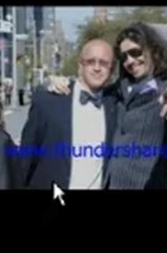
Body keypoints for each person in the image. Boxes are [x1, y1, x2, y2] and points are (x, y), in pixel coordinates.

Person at [48, 23, 167, 189]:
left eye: (135, 52)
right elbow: (88, 88)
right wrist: (62, 83)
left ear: (152, 50)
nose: (130, 61)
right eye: (124, 57)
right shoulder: (118, 90)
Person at [17, 39, 118, 190]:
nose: (97, 68)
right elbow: (26, 157)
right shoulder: (49, 100)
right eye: (91, 61)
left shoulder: (116, 104)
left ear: (112, 68)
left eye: (103, 63)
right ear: (80, 65)